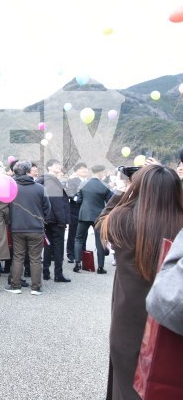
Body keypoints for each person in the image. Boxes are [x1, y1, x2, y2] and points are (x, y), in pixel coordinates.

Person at [99, 164, 183, 400]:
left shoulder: (121, 219)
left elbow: (102, 220)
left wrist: (123, 190)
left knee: (125, 385)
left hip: (127, 320)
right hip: (169, 317)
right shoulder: (180, 224)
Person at [6, 160, 51, 295]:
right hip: (36, 228)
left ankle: (15, 285)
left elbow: (6, 208)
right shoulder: (40, 188)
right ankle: (36, 287)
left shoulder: (11, 188)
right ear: (28, 171)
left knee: (18, 257)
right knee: (35, 258)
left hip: (17, 227)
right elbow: (47, 208)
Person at [37, 159, 72, 283]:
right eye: (55, 165)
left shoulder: (45, 180)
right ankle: (58, 274)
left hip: (48, 218)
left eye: (59, 164)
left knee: (48, 245)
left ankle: (46, 272)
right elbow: (56, 203)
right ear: (49, 167)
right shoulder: (51, 181)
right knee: (58, 246)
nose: (59, 166)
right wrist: (62, 220)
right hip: (55, 219)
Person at [73, 164, 112, 274]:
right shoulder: (105, 185)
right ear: (100, 172)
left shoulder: (83, 184)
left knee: (79, 239)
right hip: (99, 216)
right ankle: (100, 267)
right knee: (100, 241)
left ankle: (77, 264)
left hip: (84, 215)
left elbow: (78, 200)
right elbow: (110, 202)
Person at [65, 163, 88, 262]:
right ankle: (71, 254)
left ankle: (82, 253)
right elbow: (70, 192)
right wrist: (76, 199)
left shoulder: (89, 181)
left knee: (84, 233)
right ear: (76, 171)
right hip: (75, 210)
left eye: (85, 168)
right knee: (73, 233)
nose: (84, 170)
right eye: (81, 169)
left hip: (86, 211)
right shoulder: (73, 180)